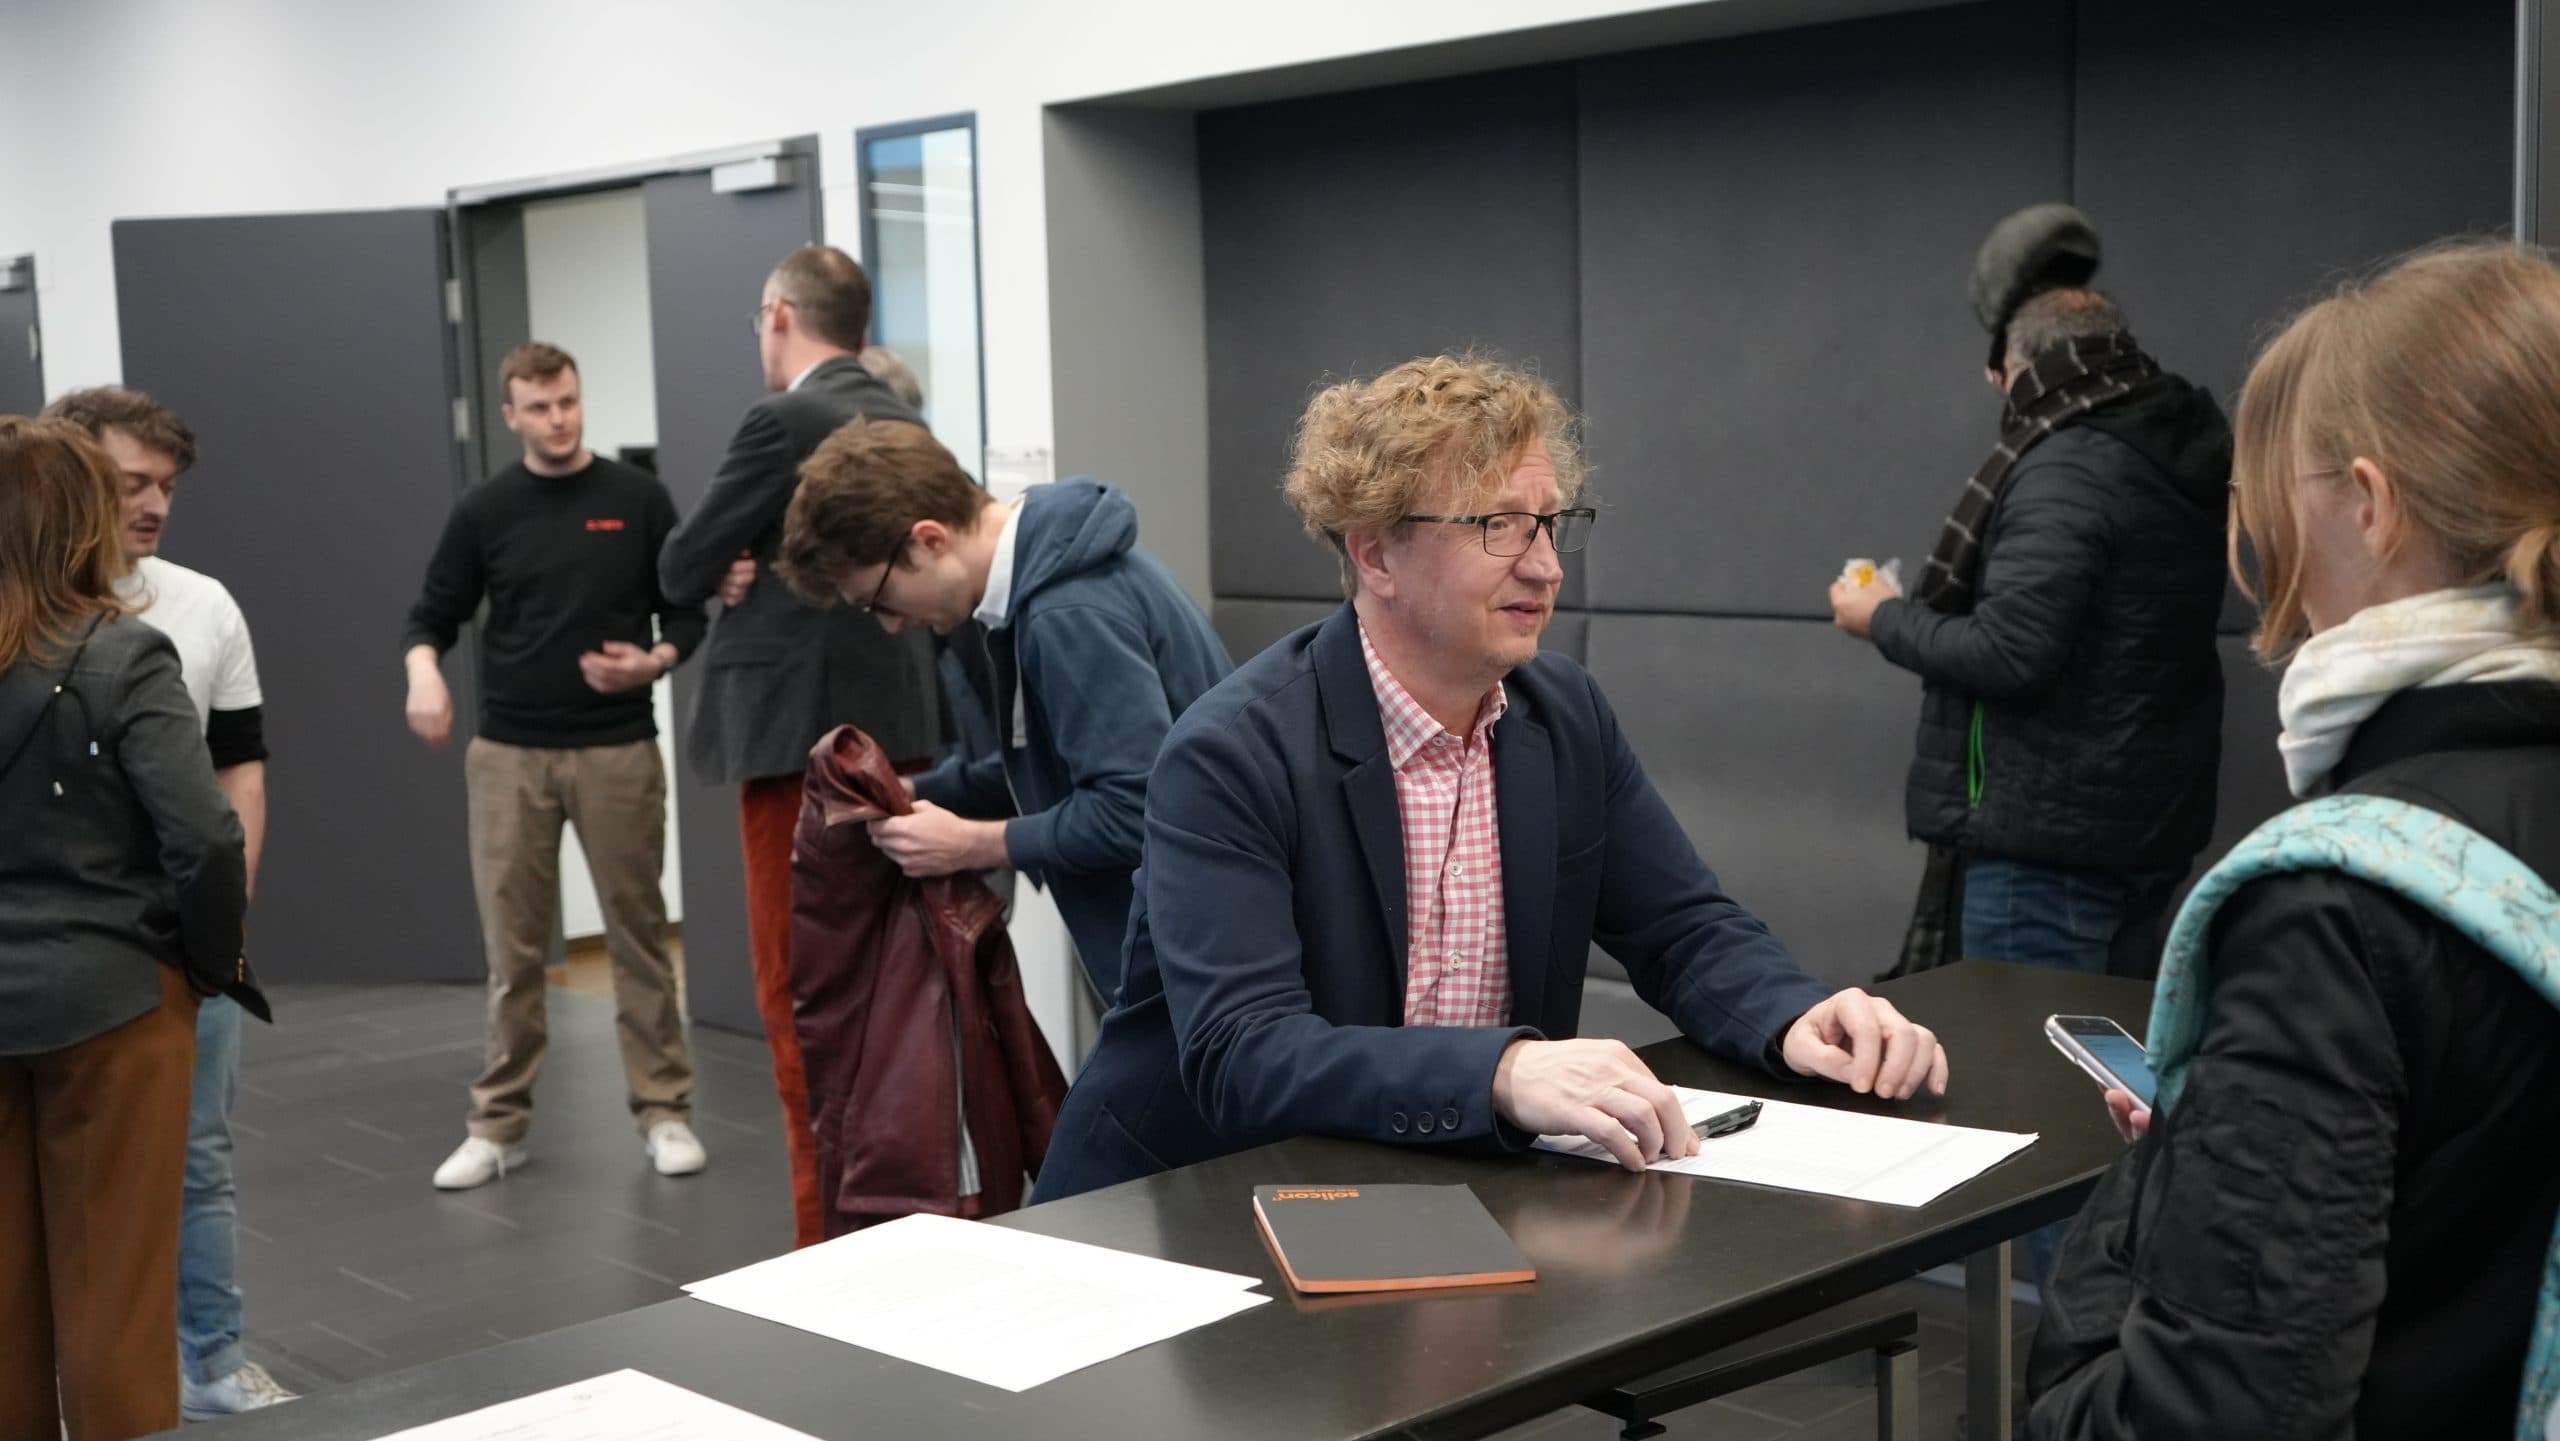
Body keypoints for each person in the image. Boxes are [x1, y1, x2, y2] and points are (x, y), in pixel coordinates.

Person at [1033, 355, 1949, 1203]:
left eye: (1551, 524)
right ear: (1375, 551)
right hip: (1191, 1214)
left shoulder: (1563, 716)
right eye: (1498, 526)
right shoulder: (1232, 752)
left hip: (1432, 1193)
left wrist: (1797, 1016)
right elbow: (1247, 1053)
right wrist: (1503, 1073)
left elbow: (1680, 927)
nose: (1546, 565)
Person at [2025, 241, 2560, 1439]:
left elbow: (2207, 1412)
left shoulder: (2335, 904)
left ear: (2369, 507)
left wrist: (2160, 1188)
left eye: (2284, 511)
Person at [1831, 203, 2231, 983]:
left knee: (2021, 1085)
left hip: (2047, 856)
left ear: (2022, 368)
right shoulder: (2166, 445)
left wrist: (1880, 616)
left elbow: (2011, 652)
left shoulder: (2066, 468)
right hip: (2140, 836)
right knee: (2108, 1081)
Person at [657, 245, 941, 1248]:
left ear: (779, 315)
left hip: (797, 752)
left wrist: (730, 563)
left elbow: (682, 560)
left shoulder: (780, 421)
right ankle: (908, 1221)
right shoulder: (909, 417)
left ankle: (823, 1246)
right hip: (907, 745)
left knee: (799, 998)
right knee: (896, 1000)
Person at [775, 419, 1233, 1000]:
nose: (891, 625)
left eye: (880, 600)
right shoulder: (1047, 585)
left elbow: (1137, 807)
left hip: (1192, 954)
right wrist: (922, 791)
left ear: (929, 539)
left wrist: (973, 842)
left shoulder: (1066, 612)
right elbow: (1052, 764)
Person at [41, 387, 291, 1417]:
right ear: (73, 475)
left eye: (167, 486)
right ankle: (75, 1377)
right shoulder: (28, 610)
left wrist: (223, 920)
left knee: (201, 1156)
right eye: (130, 481)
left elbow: (241, 769)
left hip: (183, 933)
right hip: (64, 948)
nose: (152, 504)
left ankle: (215, 1358)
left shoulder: (204, 607)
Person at [404, 342, 707, 1189]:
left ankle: (664, 1109)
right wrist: (423, 673)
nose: (558, 418)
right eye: (539, 408)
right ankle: (498, 1124)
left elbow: (686, 613)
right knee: (513, 949)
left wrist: (650, 662)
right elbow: (431, 615)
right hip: (509, 753)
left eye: (568, 401)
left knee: (639, 935)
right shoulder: (485, 509)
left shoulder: (637, 498)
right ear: (511, 416)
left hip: (616, 747)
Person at [0, 417, 248, 1441]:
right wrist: (201, 962)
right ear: (75, 521)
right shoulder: (123, 653)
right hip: (112, 1007)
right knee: (115, 1299)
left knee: (4, 1297)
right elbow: (206, 838)